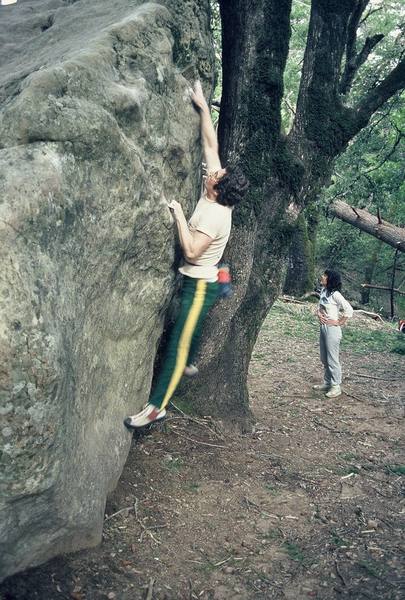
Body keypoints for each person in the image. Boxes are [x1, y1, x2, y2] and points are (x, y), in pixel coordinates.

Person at [124, 81, 249, 428]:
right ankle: (192, 355)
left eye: (217, 175)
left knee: (177, 343)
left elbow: (193, 252)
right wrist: (203, 107)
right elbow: (211, 144)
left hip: (200, 287)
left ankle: (156, 408)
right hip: (207, 277)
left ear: (218, 189)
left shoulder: (213, 214)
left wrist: (178, 213)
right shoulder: (216, 191)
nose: (213, 170)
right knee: (185, 330)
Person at [313, 269, 353, 398]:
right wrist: (319, 314)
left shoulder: (336, 294)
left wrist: (339, 322)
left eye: (325, 275)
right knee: (324, 358)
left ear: (330, 279)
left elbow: (349, 309)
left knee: (332, 359)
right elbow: (320, 307)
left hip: (332, 330)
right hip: (323, 328)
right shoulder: (324, 291)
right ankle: (327, 382)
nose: (322, 277)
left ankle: (336, 386)